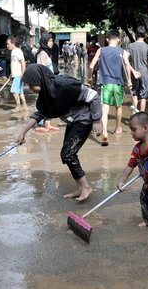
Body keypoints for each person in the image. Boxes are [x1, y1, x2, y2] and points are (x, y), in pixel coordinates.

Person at [16, 64, 103, 202]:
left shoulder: (64, 84)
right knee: (67, 155)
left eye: (32, 84)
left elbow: (93, 96)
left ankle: (86, 187)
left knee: (68, 154)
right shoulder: (45, 95)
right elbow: (39, 114)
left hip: (84, 118)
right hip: (73, 121)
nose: (30, 88)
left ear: (39, 79)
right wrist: (23, 133)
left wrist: (97, 120)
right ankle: (81, 188)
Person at [88, 29, 139, 146]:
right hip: (118, 83)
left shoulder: (101, 50)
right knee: (118, 106)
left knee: (105, 109)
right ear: (118, 40)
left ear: (107, 40)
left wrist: (90, 78)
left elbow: (91, 66)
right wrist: (130, 80)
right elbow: (127, 65)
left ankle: (105, 133)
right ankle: (117, 128)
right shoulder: (122, 51)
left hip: (106, 83)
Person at [128, 26, 148, 112]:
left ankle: (134, 114)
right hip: (145, 74)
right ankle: (142, 115)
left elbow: (128, 61)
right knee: (143, 96)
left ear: (136, 34)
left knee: (135, 94)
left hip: (134, 73)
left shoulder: (130, 46)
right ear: (144, 35)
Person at [35, 33, 60, 132]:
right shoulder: (42, 54)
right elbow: (40, 69)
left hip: (49, 81)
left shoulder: (47, 52)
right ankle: (38, 124)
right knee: (41, 103)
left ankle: (47, 123)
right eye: (49, 41)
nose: (51, 43)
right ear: (45, 42)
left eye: (52, 40)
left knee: (48, 103)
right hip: (44, 82)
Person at [7, 36, 28, 112]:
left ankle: (18, 106)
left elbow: (23, 62)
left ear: (13, 43)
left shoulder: (17, 51)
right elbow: (13, 64)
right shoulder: (13, 52)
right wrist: (11, 74)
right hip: (16, 74)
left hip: (18, 74)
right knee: (20, 91)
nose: (7, 46)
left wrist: (23, 72)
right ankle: (25, 106)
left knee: (14, 91)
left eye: (8, 44)